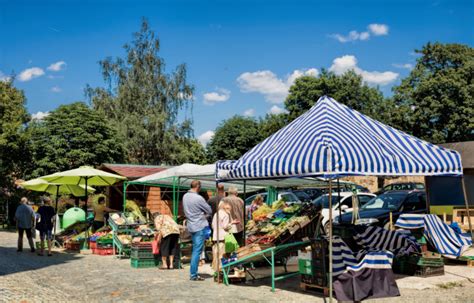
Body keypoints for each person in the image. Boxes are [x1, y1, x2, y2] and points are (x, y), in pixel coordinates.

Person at [182, 180, 212, 281]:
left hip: (191, 226)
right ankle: (193, 274)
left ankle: (193, 273)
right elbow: (209, 210)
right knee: (196, 251)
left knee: (195, 249)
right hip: (199, 226)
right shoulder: (198, 198)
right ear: (198, 187)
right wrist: (203, 215)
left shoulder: (185, 196)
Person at [211, 200, 238, 272]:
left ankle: (217, 270)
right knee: (222, 255)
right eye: (229, 209)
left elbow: (213, 226)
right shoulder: (225, 215)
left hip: (216, 236)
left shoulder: (216, 214)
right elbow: (225, 227)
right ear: (224, 208)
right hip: (223, 237)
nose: (229, 210)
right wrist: (232, 222)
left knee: (217, 255)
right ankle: (222, 270)